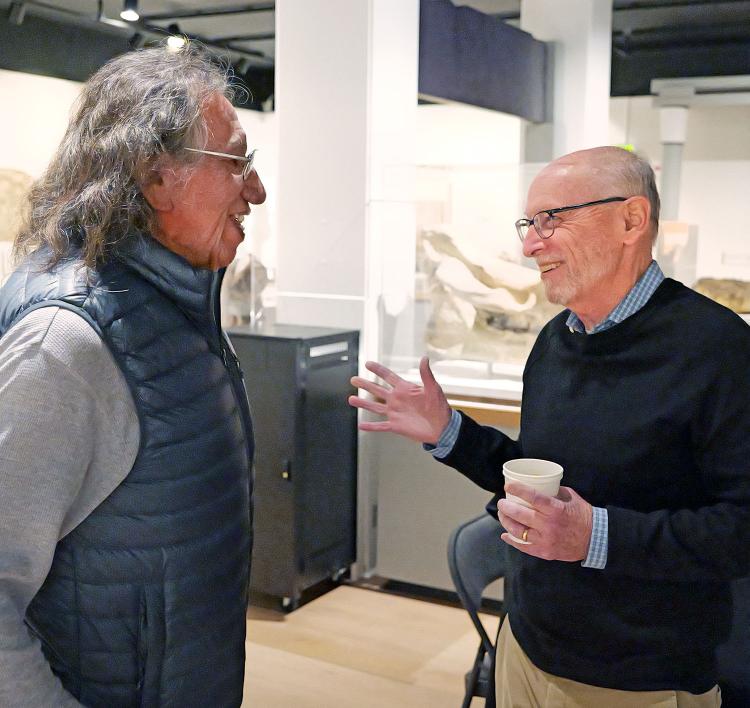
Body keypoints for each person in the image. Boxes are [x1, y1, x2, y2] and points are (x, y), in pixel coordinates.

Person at [350, 146, 750, 707]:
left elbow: (740, 529)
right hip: (525, 646)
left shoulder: (719, 349)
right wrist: (448, 431)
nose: (529, 244)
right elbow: (541, 479)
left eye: (551, 219)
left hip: (639, 680)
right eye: (528, 223)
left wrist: (596, 538)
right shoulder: (556, 341)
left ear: (631, 219)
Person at [0, 44, 266, 706]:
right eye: (238, 163)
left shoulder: (173, 307)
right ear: (156, 177)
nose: (256, 191)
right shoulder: (67, 346)